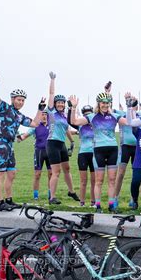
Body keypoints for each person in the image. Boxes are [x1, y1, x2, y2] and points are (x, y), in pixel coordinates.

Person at [0, 71, 43, 211]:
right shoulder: (4, 107)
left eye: (23, 100)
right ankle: (0, 203)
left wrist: (40, 109)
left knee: (11, 173)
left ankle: (9, 200)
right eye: (18, 99)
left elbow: (35, 123)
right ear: (12, 99)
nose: (21, 102)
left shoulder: (19, 115)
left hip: (9, 145)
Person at [69, 92, 130, 213]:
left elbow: (128, 122)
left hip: (112, 149)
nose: (105, 105)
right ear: (98, 103)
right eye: (103, 103)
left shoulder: (114, 115)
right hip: (98, 151)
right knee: (99, 180)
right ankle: (97, 205)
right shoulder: (92, 116)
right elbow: (74, 122)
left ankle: (111, 205)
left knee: (112, 180)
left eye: (107, 102)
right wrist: (73, 107)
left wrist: (127, 107)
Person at [46, 72, 79, 205]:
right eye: (58, 102)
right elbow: (51, 94)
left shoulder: (65, 116)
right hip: (52, 143)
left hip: (61, 144)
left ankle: (71, 191)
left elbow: (66, 130)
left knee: (67, 168)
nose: (60, 104)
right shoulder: (51, 112)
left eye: (62, 103)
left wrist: (72, 140)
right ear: (55, 103)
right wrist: (53, 80)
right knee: (56, 171)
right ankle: (52, 197)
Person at [17, 110, 52, 201]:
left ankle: (51, 195)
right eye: (42, 115)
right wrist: (20, 138)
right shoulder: (35, 126)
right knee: (37, 174)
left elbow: (64, 130)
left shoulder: (52, 126)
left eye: (45, 115)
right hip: (39, 152)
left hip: (50, 152)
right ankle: (36, 196)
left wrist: (76, 132)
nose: (44, 116)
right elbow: (25, 136)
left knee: (51, 174)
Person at [67, 104, 96, 207]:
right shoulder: (80, 124)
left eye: (89, 114)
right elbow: (70, 121)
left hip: (94, 153)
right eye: (85, 114)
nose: (87, 116)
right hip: (83, 154)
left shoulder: (96, 123)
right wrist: (71, 108)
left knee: (94, 181)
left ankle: (93, 202)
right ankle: (82, 203)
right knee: (83, 181)